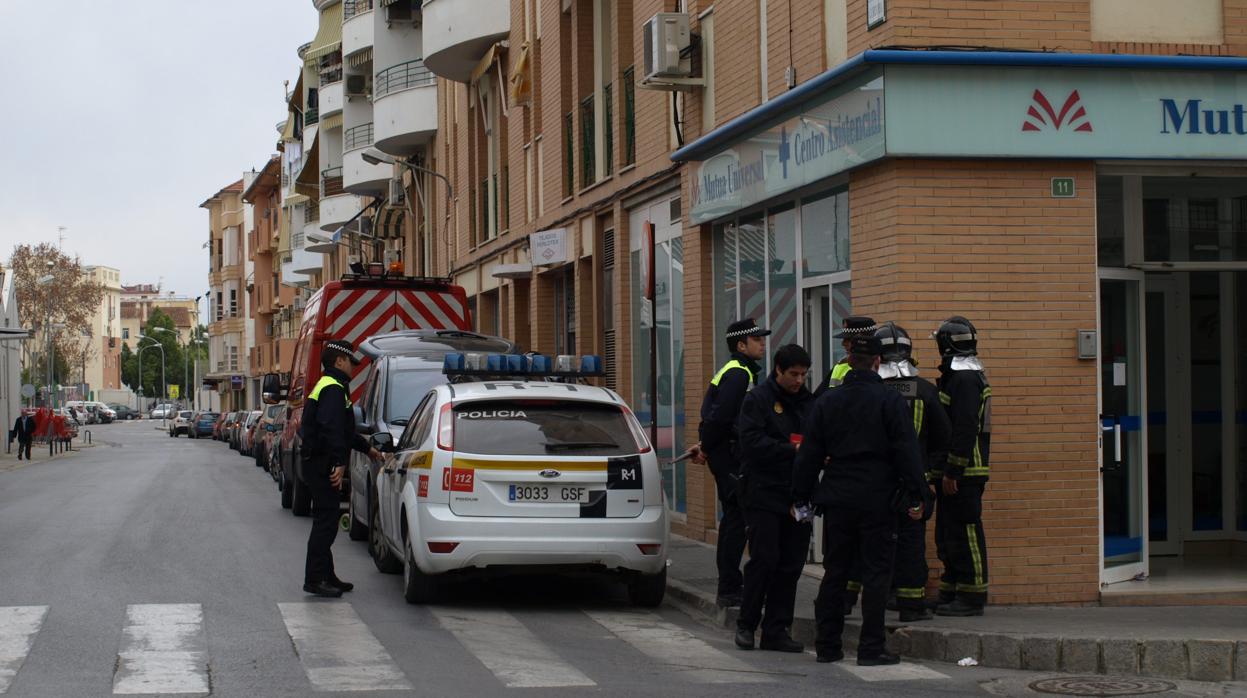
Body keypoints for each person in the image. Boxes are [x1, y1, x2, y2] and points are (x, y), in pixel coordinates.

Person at [792, 333, 927, 665]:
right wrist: (919, 494)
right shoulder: (889, 400)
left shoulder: (828, 402)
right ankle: (870, 648)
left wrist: (800, 496)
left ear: (849, 361)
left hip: (838, 497)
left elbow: (809, 456)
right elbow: (906, 451)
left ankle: (827, 645)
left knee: (835, 570)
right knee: (877, 573)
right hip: (879, 499)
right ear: (878, 363)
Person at [734, 344, 815, 653]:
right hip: (763, 492)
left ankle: (776, 630)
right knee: (765, 560)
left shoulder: (808, 403)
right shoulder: (757, 400)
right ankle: (746, 624)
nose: (798, 380)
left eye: (803, 375)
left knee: (791, 564)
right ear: (778, 370)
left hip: (799, 494)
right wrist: (790, 450)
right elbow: (751, 443)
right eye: (793, 374)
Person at [691, 318, 769, 608]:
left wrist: (706, 446)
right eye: (757, 339)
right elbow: (721, 418)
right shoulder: (738, 374)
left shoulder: (739, 371)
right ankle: (729, 587)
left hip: (726, 453)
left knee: (733, 521)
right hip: (730, 457)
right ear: (740, 344)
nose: (762, 343)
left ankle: (730, 584)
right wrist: (708, 449)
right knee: (736, 523)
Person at [875, 323, 951, 622]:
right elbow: (944, 438)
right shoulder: (926, 391)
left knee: (874, 541)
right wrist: (930, 476)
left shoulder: (873, 390)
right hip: (913, 483)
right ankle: (911, 604)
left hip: (877, 483)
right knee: (911, 541)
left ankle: (871, 597)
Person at [300, 339, 381, 598]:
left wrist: (367, 448)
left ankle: (326, 574)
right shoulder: (333, 388)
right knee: (326, 522)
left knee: (328, 520)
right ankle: (314, 579)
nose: (353, 368)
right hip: (323, 464)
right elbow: (331, 428)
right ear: (339, 361)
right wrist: (338, 462)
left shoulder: (330, 386)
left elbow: (345, 431)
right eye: (350, 363)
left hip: (318, 462)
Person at [931, 316, 992, 617]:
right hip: (956, 470)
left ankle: (972, 596)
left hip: (966, 471)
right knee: (949, 533)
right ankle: (952, 589)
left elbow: (965, 427)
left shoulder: (965, 379)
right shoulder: (961, 375)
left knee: (966, 532)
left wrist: (954, 470)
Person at [814, 316, 876, 396]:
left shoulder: (884, 368)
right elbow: (818, 400)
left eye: (848, 339)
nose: (843, 344)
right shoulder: (840, 366)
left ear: (863, 341)